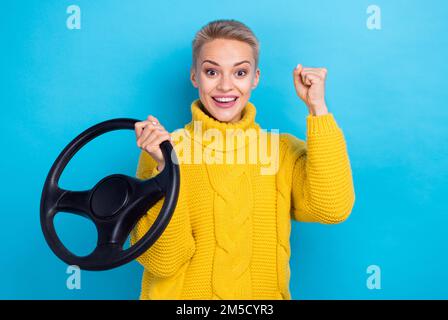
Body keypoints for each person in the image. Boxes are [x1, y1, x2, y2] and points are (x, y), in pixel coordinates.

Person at [131, 19, 355, 300]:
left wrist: (317, 108)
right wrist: (164, 170)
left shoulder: (280, 151)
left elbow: (332, 208)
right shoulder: (163, 150)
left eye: (239, 73)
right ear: (194, 77)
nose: (226, 86)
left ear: (255, 78)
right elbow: (163, 262)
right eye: (212, 71)